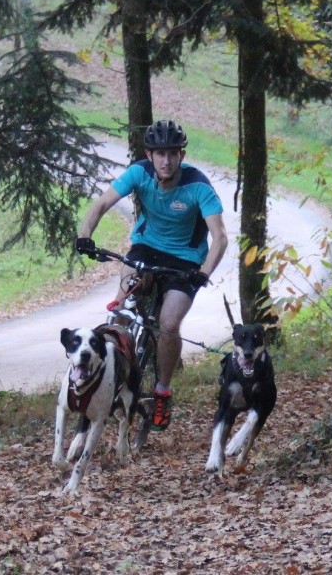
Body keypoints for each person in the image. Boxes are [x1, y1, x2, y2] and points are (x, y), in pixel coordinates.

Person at [75, 120, 228, 431]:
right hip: (145, 248)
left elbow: (220, 237)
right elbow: (103, 202)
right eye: (160, 154)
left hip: (185, 262)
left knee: (169, 324)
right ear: (149, 154)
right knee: (120, 308)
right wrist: (85, 235)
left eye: (172, 154)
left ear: (181, 155)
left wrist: (203, 273)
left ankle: (162, 390)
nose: (166, 161)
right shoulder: (139, 173)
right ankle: (105, 377)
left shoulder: (198, 186)